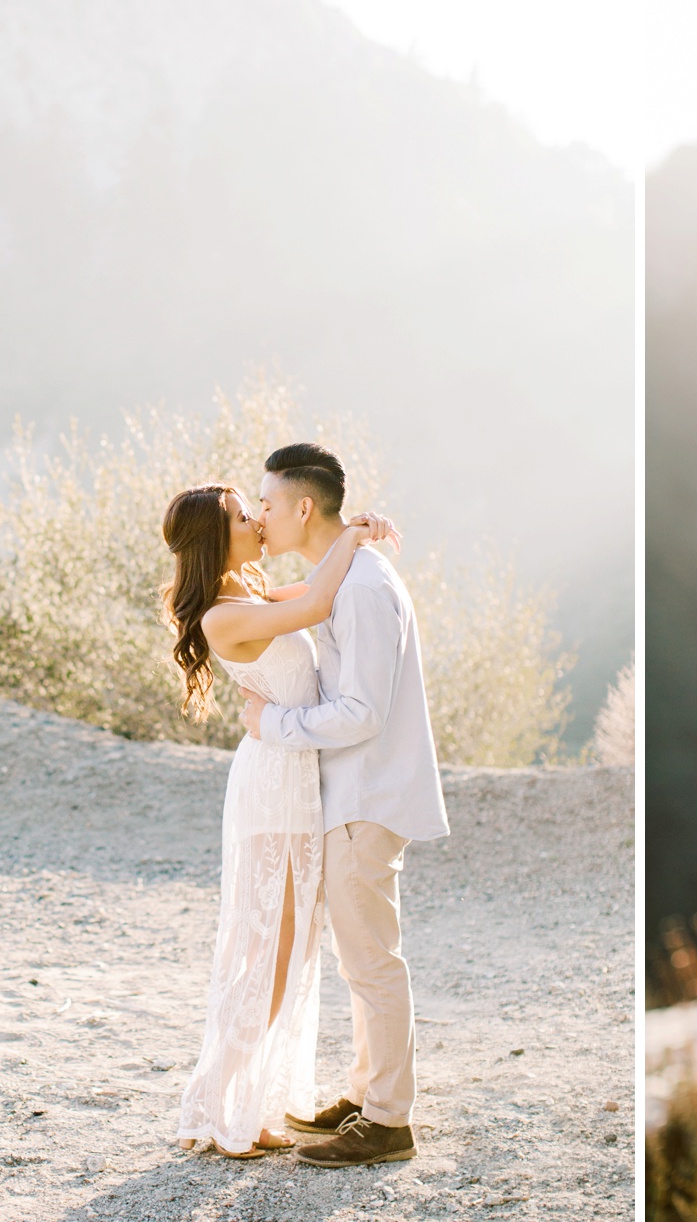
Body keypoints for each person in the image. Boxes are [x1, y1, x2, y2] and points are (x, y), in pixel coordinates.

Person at [162, 481, 394, 1159]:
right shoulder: (221, 617)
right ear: (217, 536)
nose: (257, 521)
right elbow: (318, 603)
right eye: (244, 516)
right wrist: (355, 533)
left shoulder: (253, 592)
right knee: (271, 948)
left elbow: (319, 587)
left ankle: (245, 1105)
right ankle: (217, 1103)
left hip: (293, 773)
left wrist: (352, 532)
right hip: (270, 783)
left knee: (286, 948)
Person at [239, 442, 448, 1169]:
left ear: (303, 507)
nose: (260, 516)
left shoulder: (361, 588)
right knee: (360, 957)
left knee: (372, 960)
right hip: (353, 795)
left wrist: (273, 724)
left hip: (366, 796)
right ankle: (366, 1095)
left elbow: (362, 711)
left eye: (267, 503)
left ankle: (388, 1121)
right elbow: (296, 598)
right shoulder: (348, 573)